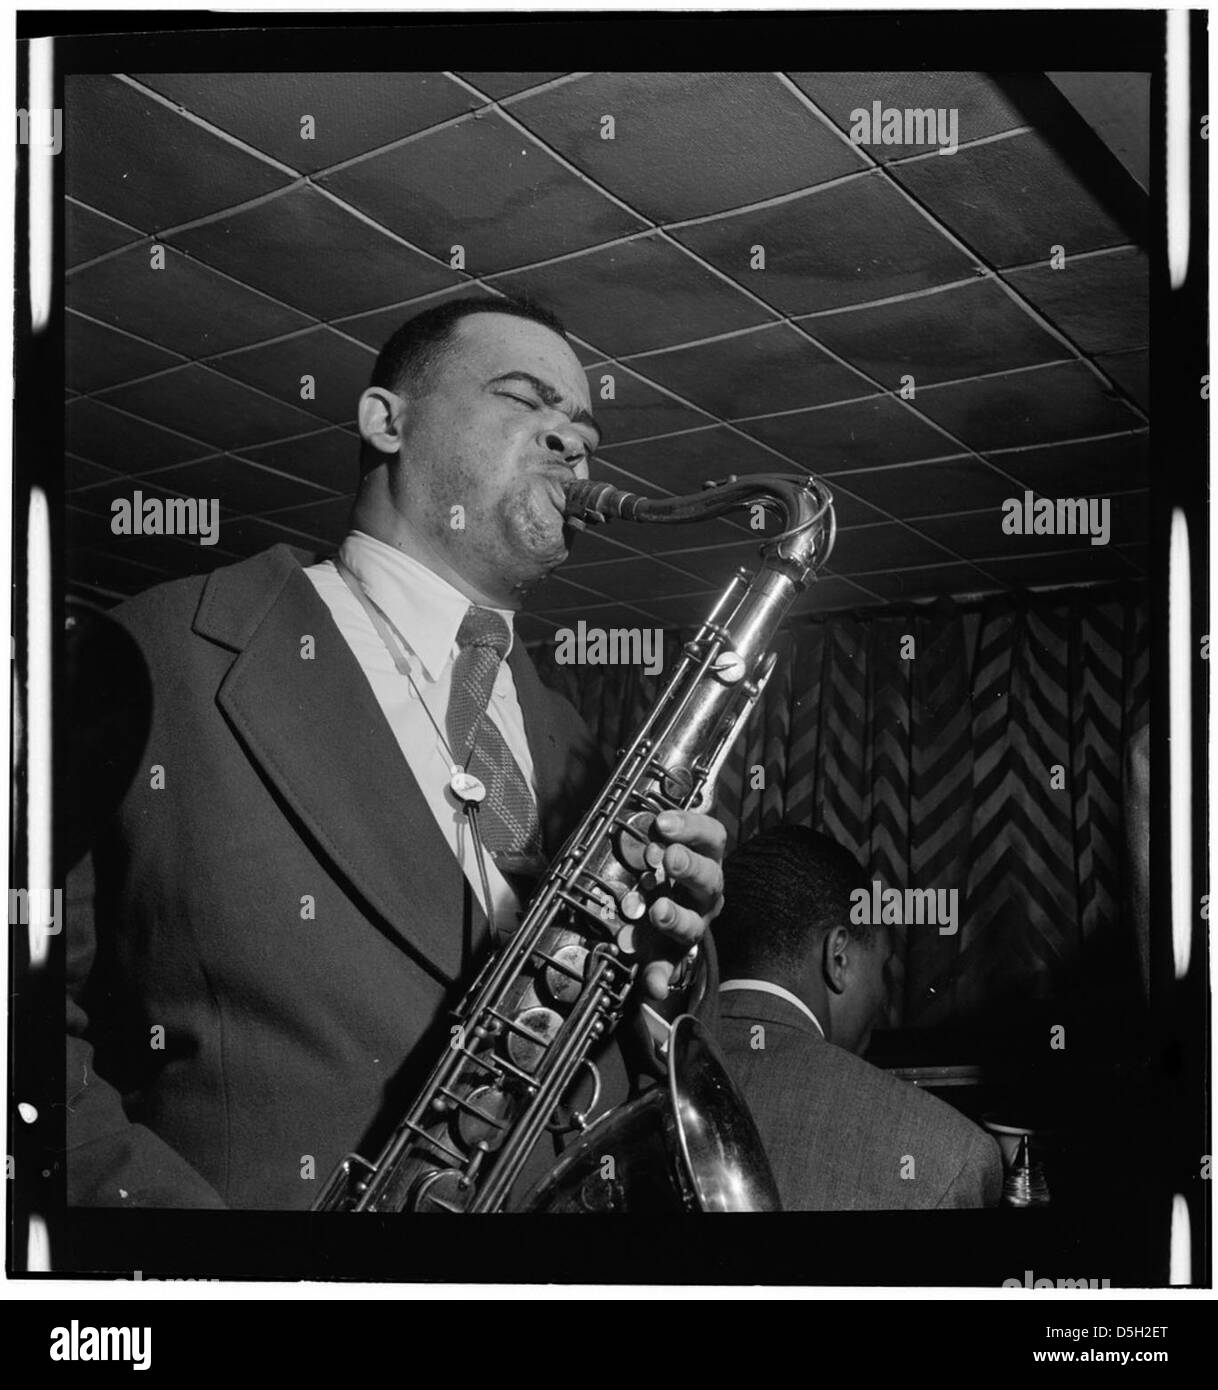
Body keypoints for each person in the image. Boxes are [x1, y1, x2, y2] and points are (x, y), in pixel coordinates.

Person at [64, 297, 727, 1210]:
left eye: (583, 429)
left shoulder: (582, 748)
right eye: (524, 401)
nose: (572, 445)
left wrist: (663, 978)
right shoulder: (158, 652)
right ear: (387, 420)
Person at [712, 825, 1003, 1210]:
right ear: (839, 958)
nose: (883, 997)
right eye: (882, 968)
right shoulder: (951, 1155)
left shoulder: (623, 1089)